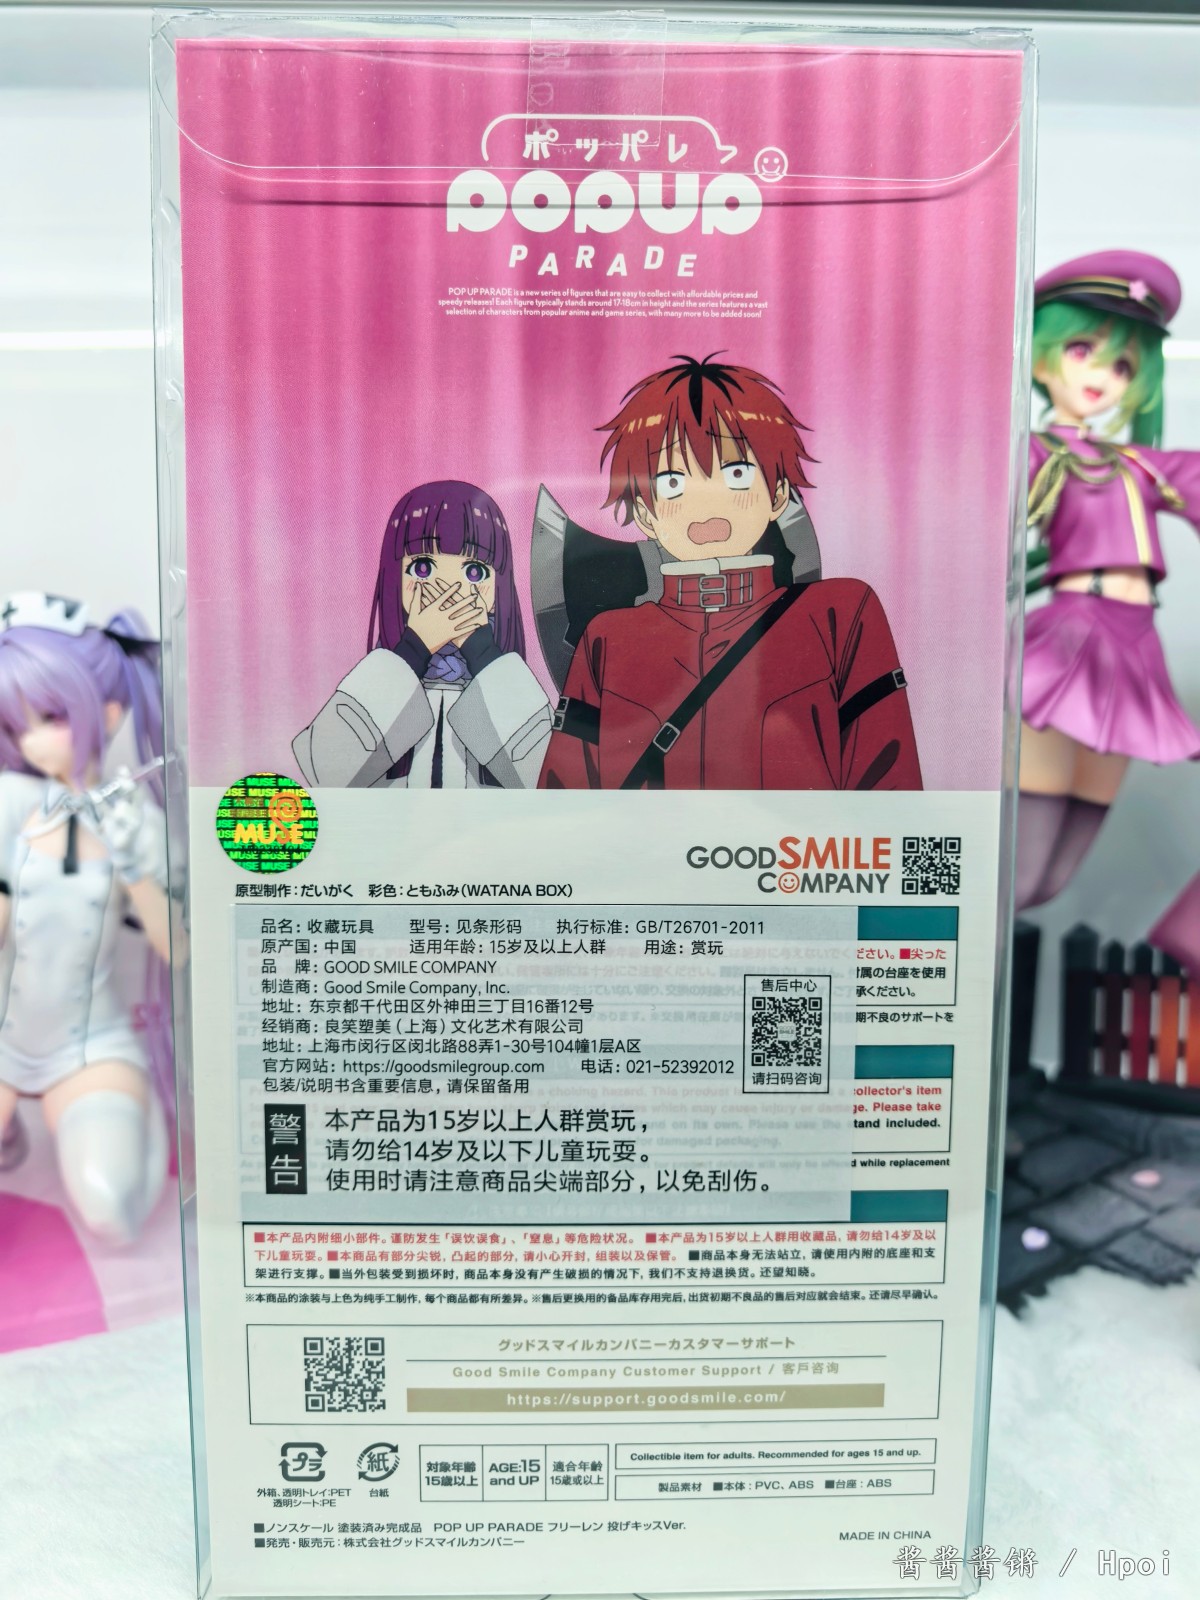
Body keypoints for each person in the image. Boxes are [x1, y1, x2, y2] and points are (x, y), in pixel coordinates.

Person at [536, 354, 921, 791]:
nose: (707, 501)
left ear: (777, 494)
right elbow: (563, 802)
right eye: (673, 482)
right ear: (644, 513)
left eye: (736, 473)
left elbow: (891, 791)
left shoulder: (840, 614)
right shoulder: (607, 639)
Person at [1016, 251, 1200, 911]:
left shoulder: (1142, 467)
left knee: (1049, 883)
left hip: (1135, 648)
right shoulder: (1034, 452)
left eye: (1122, 364)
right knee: (1020, 876)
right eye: (1082, 349)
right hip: (1070, 639)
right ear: (1042, 357)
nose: (1102, 375)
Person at [0, 593, 171, 1245]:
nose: (32, 741)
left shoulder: (137, 820)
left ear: (108, 711)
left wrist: (136, 865)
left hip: (89, 1044)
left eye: (49, 717)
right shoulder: (11, 801)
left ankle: (137, 1115)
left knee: (110, 1208)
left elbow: (178, 952)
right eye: (16, 725)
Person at [294, 481, 552, 788]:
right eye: (423, 568)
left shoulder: (503, 684)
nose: (450, 589)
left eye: (474, 573)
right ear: (396, 579)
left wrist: (483, 653)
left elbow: (550, 780)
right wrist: (413, 649)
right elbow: (325, 772)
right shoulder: (380, 680)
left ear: (498, 588)